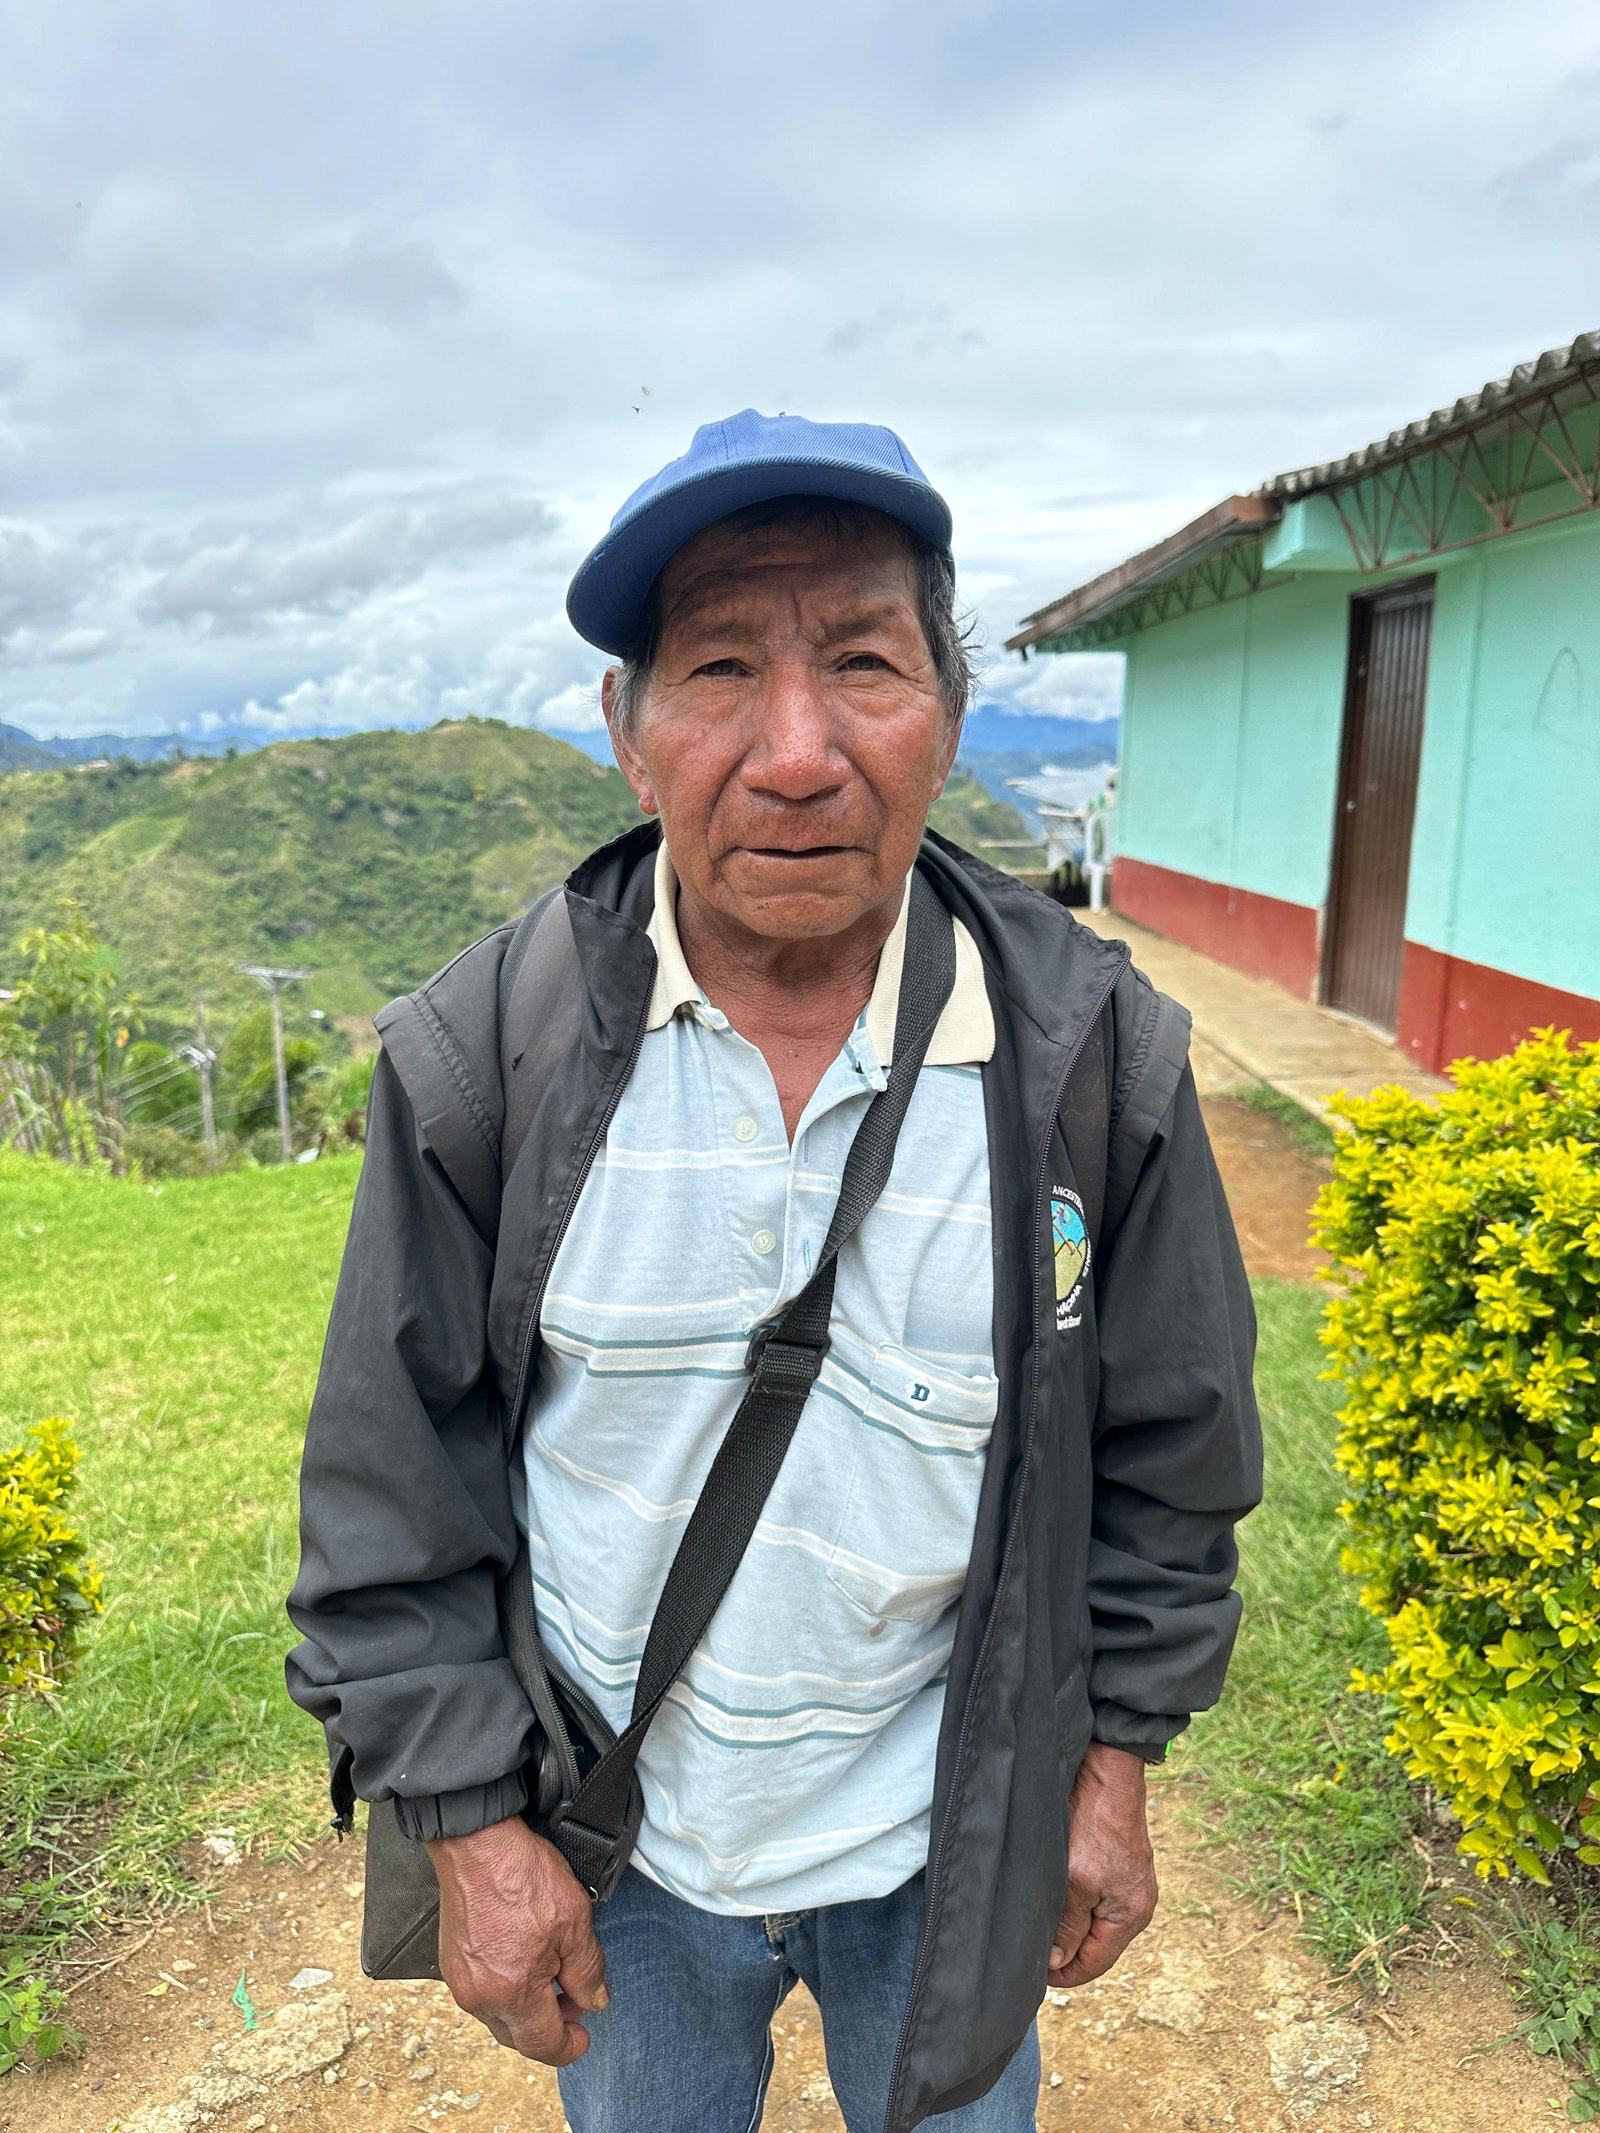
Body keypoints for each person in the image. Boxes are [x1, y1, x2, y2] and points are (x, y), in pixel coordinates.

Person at [287, 410, 1262, 2133]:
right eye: (722, 666)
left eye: (865, 662)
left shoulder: (1091, 1060)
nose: (798, 752)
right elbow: (392, 1483)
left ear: (948, 711)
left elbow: (1170, 1458)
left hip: (955, 1833)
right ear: (628, 730)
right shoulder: (484, 1060)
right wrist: (474, 1829)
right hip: (622, 1850)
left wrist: (1111, 1766)